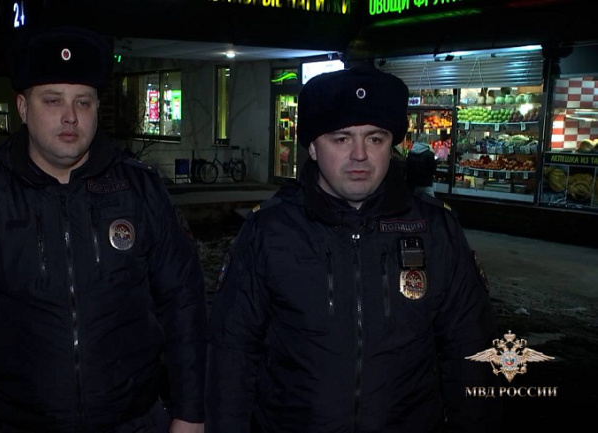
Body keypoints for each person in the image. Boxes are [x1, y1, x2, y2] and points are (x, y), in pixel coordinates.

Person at [0, 25, 206, 433]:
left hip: (132, 421)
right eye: (53, 100)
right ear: (22, 107)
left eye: (83, 101)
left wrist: (190, 413)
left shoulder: (141, 191)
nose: (70, 116)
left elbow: (184, 305)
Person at [206, 67, 501, 432]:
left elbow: (471, 351)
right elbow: (231, 354)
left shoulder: (436, 231)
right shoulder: (268, 231)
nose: (360, 155)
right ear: (313, 147)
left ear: (392, 146)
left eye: (375, 139)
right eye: (342, 139)